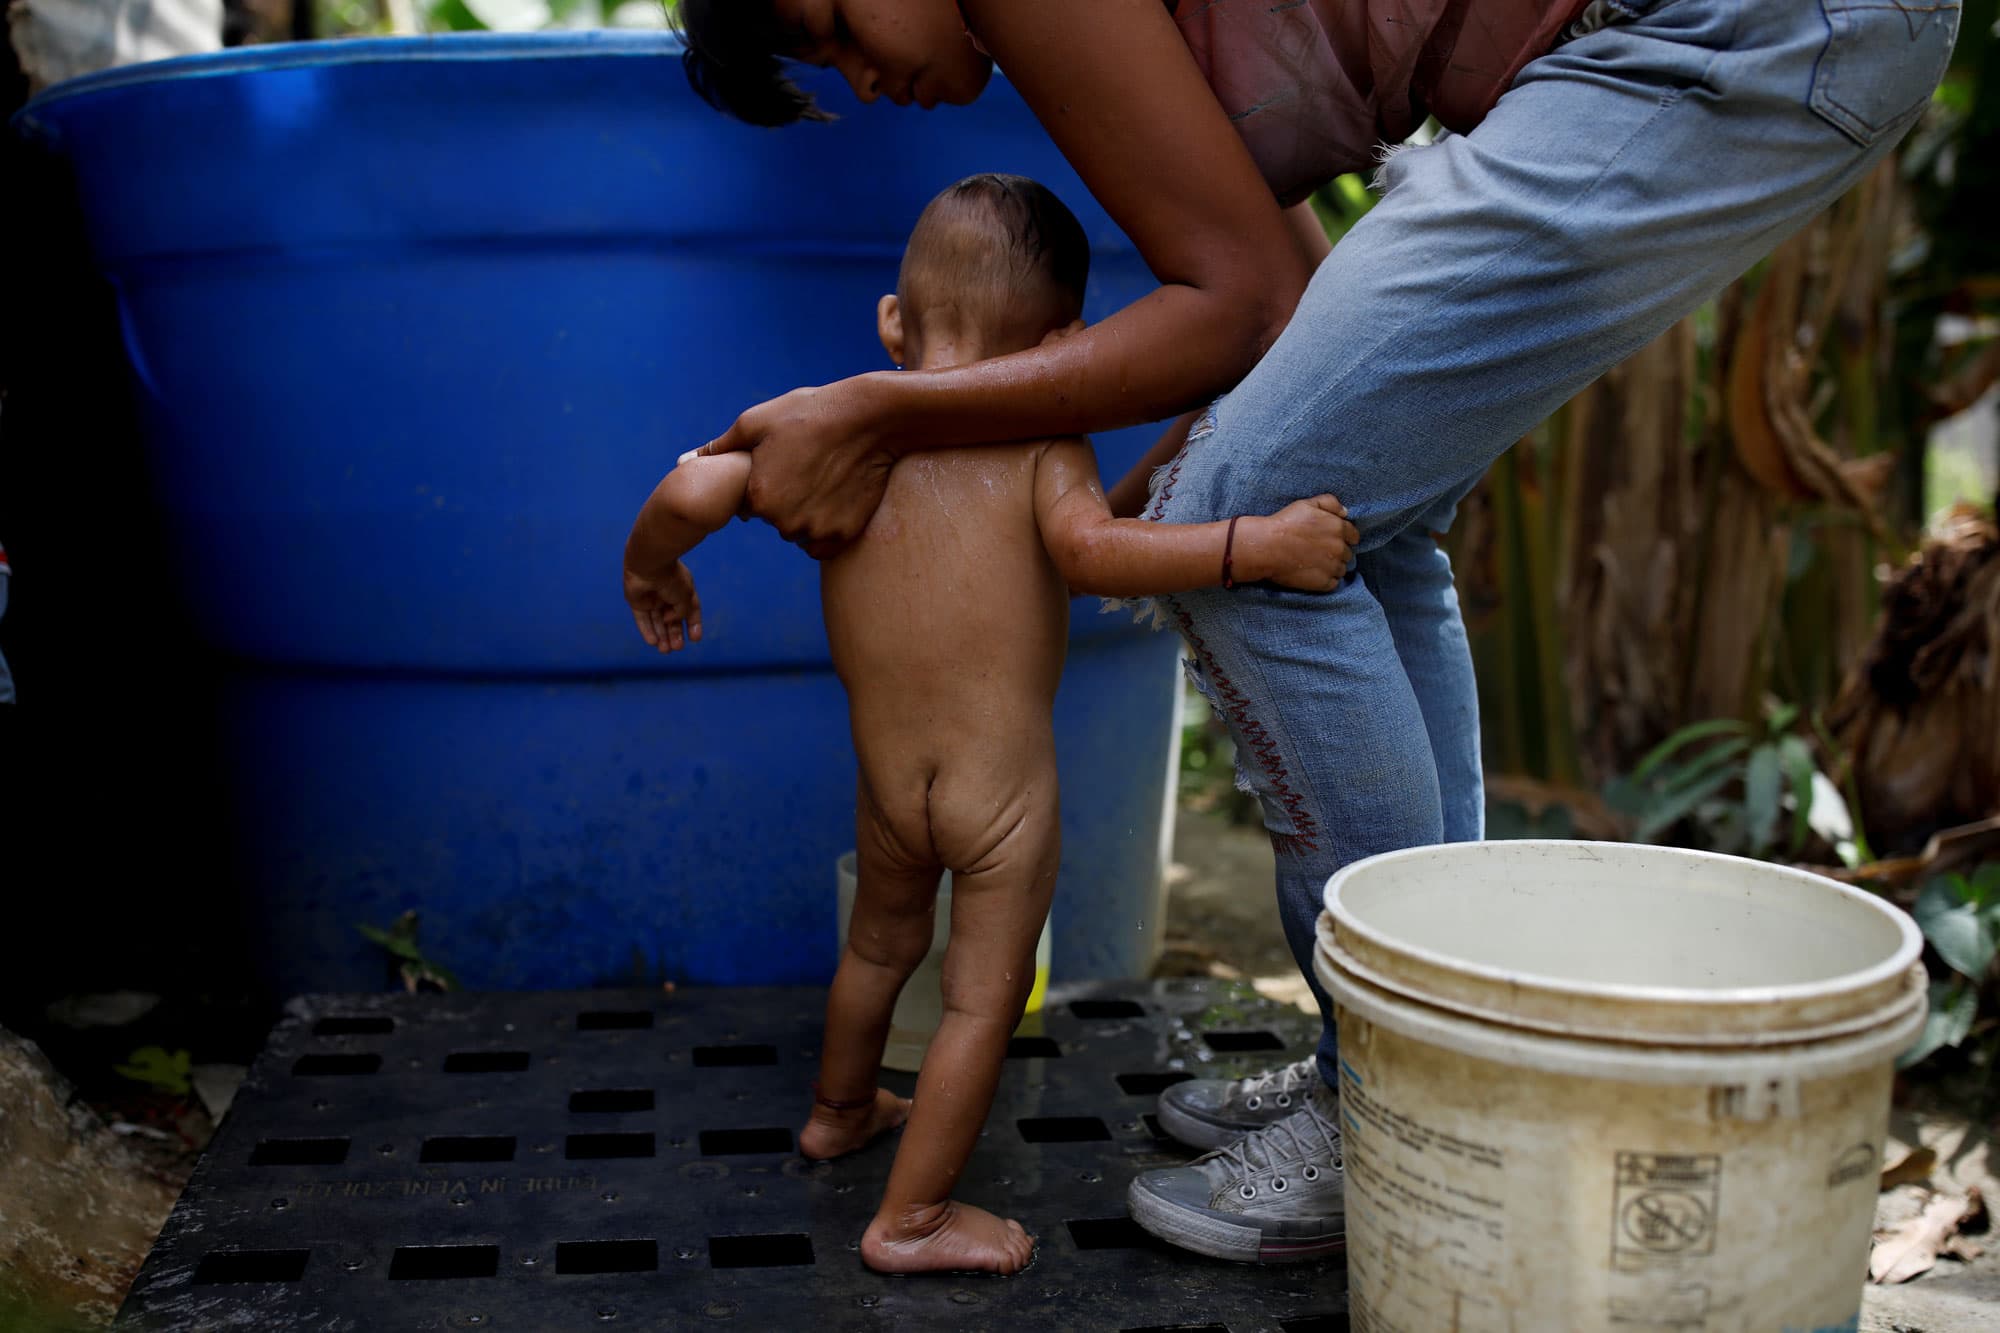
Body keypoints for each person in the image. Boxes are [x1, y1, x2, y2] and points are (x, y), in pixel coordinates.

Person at [673, 0, 1961, 1263]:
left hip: (1724, 26)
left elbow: (1231, 310)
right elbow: (1280, 291)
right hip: (1693, 41)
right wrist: (1085, 513)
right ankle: (1411, 1052)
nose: (854, 74)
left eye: (835, 20)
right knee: (1346, 514)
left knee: (1254, 520)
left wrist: (880, 412)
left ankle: (1394, 1109)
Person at [623, 172, 1357, 1274]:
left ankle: (836, 1112)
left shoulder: (845, 447)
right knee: (978, 998)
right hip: (998, 802)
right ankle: (910, 1219)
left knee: (878, 948)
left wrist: (652, 566)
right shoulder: (1038, 452)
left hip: (887, 785)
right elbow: (1089, 554)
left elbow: (690, 492)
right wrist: (1258, 544)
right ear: (1062, 343)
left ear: (891, 320)